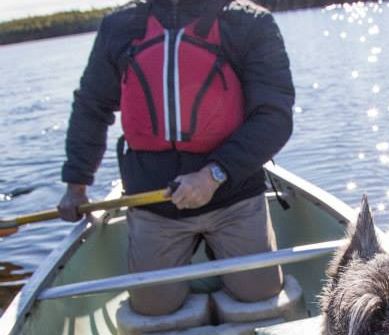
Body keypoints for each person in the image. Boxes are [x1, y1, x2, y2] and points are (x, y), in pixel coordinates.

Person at [58, 0, 295, 316]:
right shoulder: (120, 27)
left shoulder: (249, 23)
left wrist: (214, 175)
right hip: (155, 204)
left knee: (262, 298)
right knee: (154, 310)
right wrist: (76, 184)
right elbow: (91, 107)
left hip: (234, 197)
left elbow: (274, 116)